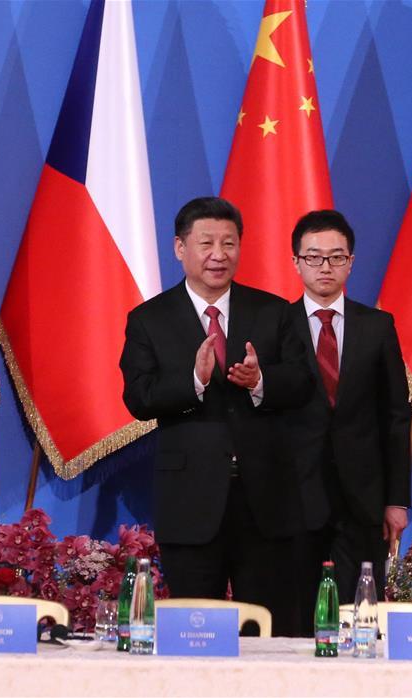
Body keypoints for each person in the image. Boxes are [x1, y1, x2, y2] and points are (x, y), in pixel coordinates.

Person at [120, 197, 312, 636]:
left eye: (229, 243)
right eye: (206, 242)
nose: (218, 254)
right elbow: (139, 396)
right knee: (194, 634)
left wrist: (260, 380)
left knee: (271, 632)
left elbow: (302, 383)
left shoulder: (273, 311)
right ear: (179, 248)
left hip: (265, 503)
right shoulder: (149, 319)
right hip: (190, 504)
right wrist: (193, 380)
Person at [286, 209, 411, 629]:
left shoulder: (378, 326)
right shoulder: (275, 325)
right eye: (314, 257)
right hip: (293, 498)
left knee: (358, 617)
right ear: (296, 262)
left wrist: (396, 499)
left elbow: (396, 416)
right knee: (297, 617)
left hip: (363, 499)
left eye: (336, 257)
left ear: (351, 262)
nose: (325, 266)